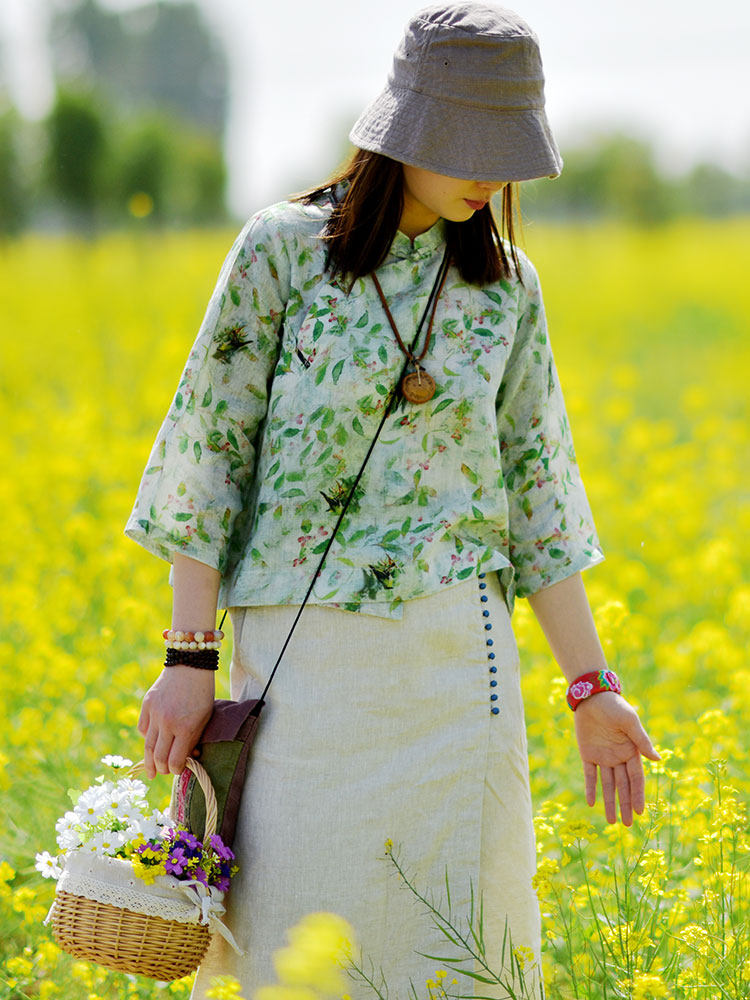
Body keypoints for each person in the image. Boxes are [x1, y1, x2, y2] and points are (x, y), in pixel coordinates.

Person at [125, 4, 660, 998]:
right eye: (469, 146)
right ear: (406, 127)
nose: (489, 177)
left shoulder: (508, 287)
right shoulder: (282, 251)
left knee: (462, 946)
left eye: (507, 154)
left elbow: (540, 495)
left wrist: (593, 689)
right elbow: (207, 456)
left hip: (460, 667)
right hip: (304, 669)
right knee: (289, 941)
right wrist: (187, 659)